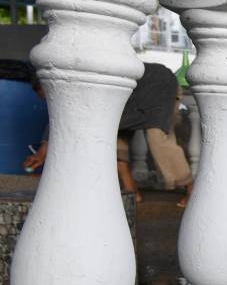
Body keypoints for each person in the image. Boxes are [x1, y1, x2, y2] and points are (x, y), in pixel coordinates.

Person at [24, 62, 194, 207]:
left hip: (157, 85)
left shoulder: (79, 83)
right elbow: (60, 118)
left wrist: (43, 151)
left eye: (48, 97)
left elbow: (64, 119)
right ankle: (131, 191)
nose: (50, 102)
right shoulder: (71, 92)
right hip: (125, 102)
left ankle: (191, 189)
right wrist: (42, 152)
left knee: (157, 137)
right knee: (113, 139)